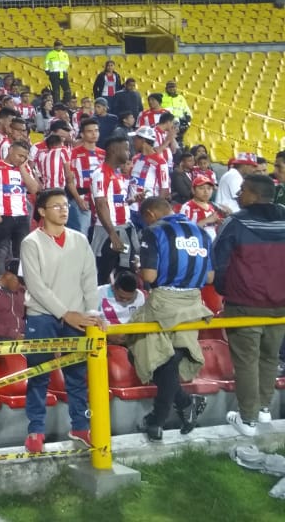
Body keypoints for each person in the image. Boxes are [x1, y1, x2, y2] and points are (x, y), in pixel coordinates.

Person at [20, 188, 101, 453]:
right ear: (42, 211)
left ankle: (80, 426)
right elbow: (36, 286)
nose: (64, 210)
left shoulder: (79, 240)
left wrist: (93, 313)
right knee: (39, 375)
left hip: (77, 318)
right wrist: (66, 313)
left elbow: (90, 280)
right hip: (42, 316)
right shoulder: (31, 243)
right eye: (57, 206)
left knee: (77, 375)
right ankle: (35, 431)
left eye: (66, 205)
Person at [130, 196, 213, 441]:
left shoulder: (154, 231)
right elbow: (209, 278)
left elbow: (150, 274)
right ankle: (181, 406)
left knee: (139, 347)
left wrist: (139, 268)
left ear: (150, 215)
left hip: (164, 301)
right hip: (194, 302)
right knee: (171, 357)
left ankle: (159, 418)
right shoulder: (201, 232)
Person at [214, 174, 285, 435]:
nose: (237, 195)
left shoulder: (235, 222)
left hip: (245, 304)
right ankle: (263, 410)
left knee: (246, 362)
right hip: (280, 307)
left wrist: (225, 289)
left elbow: (218, 261)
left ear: (254, 194)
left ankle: (248, 419)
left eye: (242, 190)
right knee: (269, 357)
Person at [0, 139, 39, 275]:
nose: (21, 159)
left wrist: (22, 169)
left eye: (24, 157)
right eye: (19, 155)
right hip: (3, 215)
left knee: (21, 252)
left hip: (22, 216)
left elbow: (33, 189)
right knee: (2, 252)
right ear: (10, 150)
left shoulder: (24, 168)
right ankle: (0, 285)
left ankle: (17, 283)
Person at [90, 136, 137, 284]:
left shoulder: (117, 174)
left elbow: (115, 201)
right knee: (103, 273)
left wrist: (132, 200)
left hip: (124, 229)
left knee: (125, 271)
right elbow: (101, 204)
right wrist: (112, 234)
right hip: (108, 232)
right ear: (114, 150)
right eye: (126, 149)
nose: (129, 153)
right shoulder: (101, 174)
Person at [66, 118, 105, 235]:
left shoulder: (104, 154)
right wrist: (78, 199)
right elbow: (70, 181)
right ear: (82, 134)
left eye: (96, 130)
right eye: (90, 131)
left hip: (99, 197)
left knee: (99, 232)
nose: (94, 134)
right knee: (82, 233)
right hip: (81, 197)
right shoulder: (73, 153)